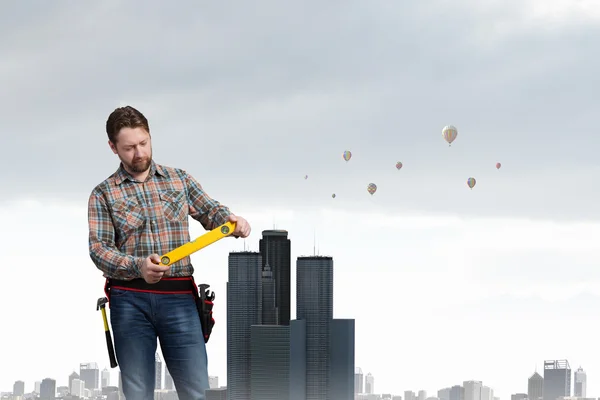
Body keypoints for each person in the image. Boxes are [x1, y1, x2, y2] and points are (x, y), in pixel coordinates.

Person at [87, 105, 251, 400]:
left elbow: (210, 210)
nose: (138, 153)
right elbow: (99, 250)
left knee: (197, 392)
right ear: (113, 147)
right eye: (128, 148)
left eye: (143, 143)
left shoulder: (180, 180)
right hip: (128, 301)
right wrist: (139, 266)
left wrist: (230, 220)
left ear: (149, 136)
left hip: (179, 300)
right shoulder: (103, 193)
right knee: (137, 394)